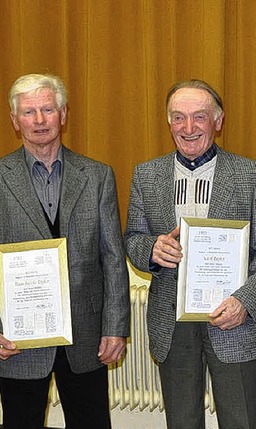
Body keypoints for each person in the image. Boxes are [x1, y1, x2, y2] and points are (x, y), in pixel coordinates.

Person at [125, 79, 256, 429]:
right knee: (182, 422)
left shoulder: (253, 175)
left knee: (242, 421)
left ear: (218, 121)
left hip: (234, 319)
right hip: (172, 320)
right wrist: (151, 249)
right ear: (169, 123)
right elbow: (133, 240)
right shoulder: (146, 175)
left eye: (200, 116)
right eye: (179, 117)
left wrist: (245, 301)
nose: (189, 127)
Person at [0, 74, 130, 429]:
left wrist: (116, 327)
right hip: (17, 340)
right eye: (29, 112)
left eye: (47, 109)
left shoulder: (98, 175)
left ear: (64, 114)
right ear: (15, 120)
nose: (39, 120)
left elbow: (113, 259)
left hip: (86, 338)